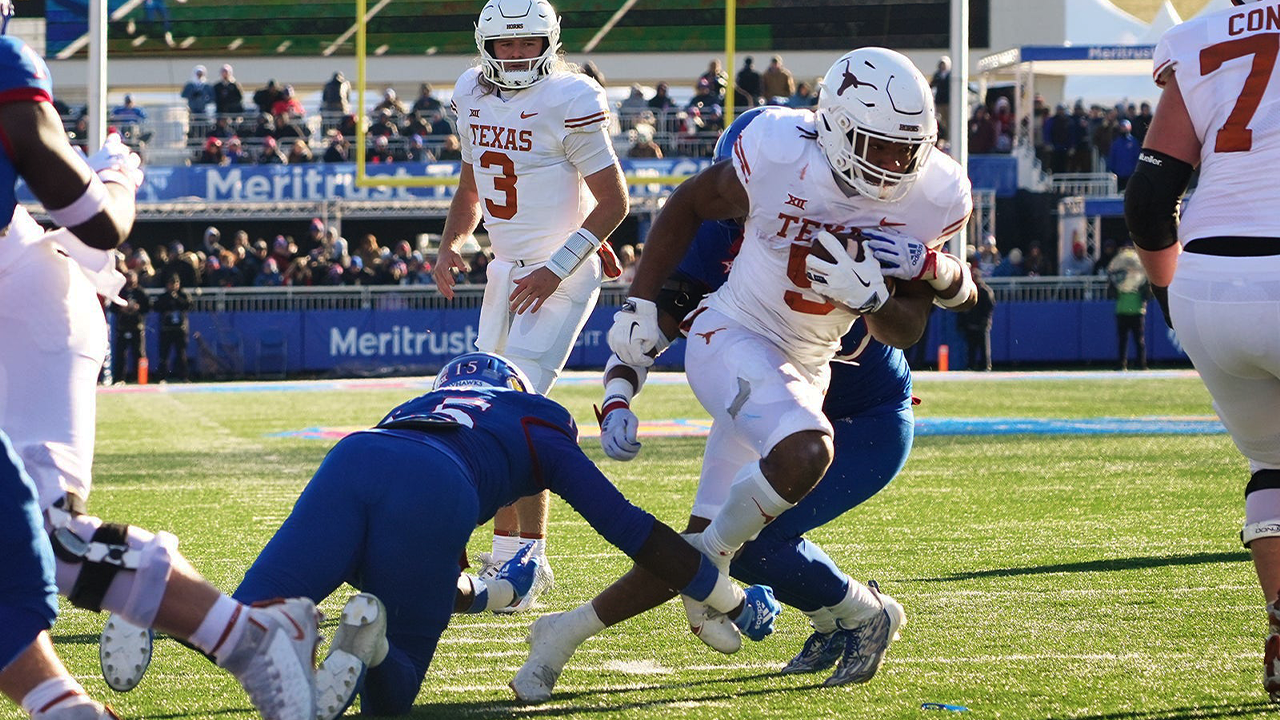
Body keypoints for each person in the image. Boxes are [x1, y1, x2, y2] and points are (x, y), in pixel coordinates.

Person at [513, 47, 975, 702]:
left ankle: (844, 613)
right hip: (762, 375)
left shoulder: (920, 197)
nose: (893, 167)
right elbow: (663, 299)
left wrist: (882, 296)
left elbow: (913, 323)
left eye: (905, 151)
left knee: (737, 543)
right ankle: (840, 613)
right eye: (880, 147)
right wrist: (619, 386)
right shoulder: (753, 190)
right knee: (731, 532)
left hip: (855, 406)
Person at [102, 352, 779, 719]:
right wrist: (727, 595)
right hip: (439, 486)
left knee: (242, 620)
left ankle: (149, 590)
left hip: (356, 456)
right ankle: (371, 645)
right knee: (388, 700)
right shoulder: (535, 419)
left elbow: (409, 566)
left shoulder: (414, 407)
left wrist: (488, 592)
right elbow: (630, 530)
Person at [0, 4, 320, 717]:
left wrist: (116, 177)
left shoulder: (3, 66)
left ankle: (254, 639)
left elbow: (101, 224)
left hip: (21, 299)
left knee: (49, 537)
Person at [431, 0, 629, 610]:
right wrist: (450, 243)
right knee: (485, 407)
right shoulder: (470, 90)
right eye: (506, 45)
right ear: (485, 45)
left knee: (513, 408)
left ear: (549, 43)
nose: (516, 55)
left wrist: (558, 266)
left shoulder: (570, 96)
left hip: (558, 273)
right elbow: (472, 186)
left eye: (527, 44)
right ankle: (507, 552)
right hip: (507, 269)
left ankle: (529, 559)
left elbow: (614, 201)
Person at [1125, 0, 1280, 698]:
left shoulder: (1202, 34)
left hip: (1212, 287)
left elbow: (1149, 197)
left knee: (1272, 462)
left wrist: (1169, 295)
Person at [108, 270, 150, 384]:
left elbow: (147, 307)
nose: (130, 280)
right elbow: (113, 307)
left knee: (139, 353)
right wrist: (122, 309)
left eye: (132, 277)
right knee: (121, 354)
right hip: (122, 327)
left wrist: (138, 308)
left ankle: (141, 378)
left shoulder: (140, 292)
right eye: (128, 277)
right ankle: (119, 378)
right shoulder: (121, 292)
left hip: (137, 327)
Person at [957, 260, 995, 371]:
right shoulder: (968, 291)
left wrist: (984, 321)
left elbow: (988, 308)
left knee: (983, 346)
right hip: (971, 323)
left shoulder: (984, 291)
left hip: (980, 323)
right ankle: (971, 365)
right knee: (971, 347)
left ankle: (985, 365)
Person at [153, 273, 192, 382]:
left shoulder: (183, 295)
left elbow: (188, 306)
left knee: (181, 354)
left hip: (180, 329)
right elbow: (157, 307)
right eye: (171, 284)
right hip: (166, 329)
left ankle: (184, 377)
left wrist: (177, 298)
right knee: (164, 355)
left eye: (175, 283)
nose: (173, 286)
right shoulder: (163, 296)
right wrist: (169, 299)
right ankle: (162, 377)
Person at [1108, 118, 1141, 191]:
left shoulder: (1134, 142)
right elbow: (1112, 157)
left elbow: (1137, 157)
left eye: (1125, 127)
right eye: (1122, 127)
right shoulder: (1116, 143)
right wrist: (1112, 169)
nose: (1124, 129)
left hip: (1131, 174)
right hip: (1119, 174)